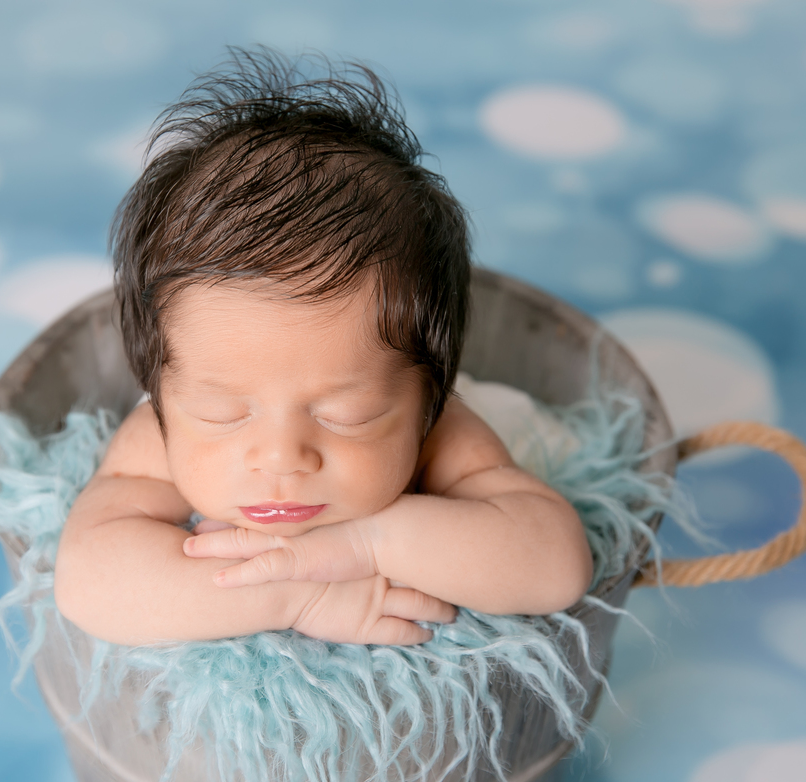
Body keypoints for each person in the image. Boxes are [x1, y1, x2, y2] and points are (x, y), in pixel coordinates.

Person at [54, 50, 591, 647]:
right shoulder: (158, 439)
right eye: (222, 413)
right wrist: (298, 591)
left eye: (346, 414)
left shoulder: (442, 436)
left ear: (430, 390)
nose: (282, 457)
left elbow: (555, 565)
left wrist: (367, 543)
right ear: (159, 387)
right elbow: (90, 581)